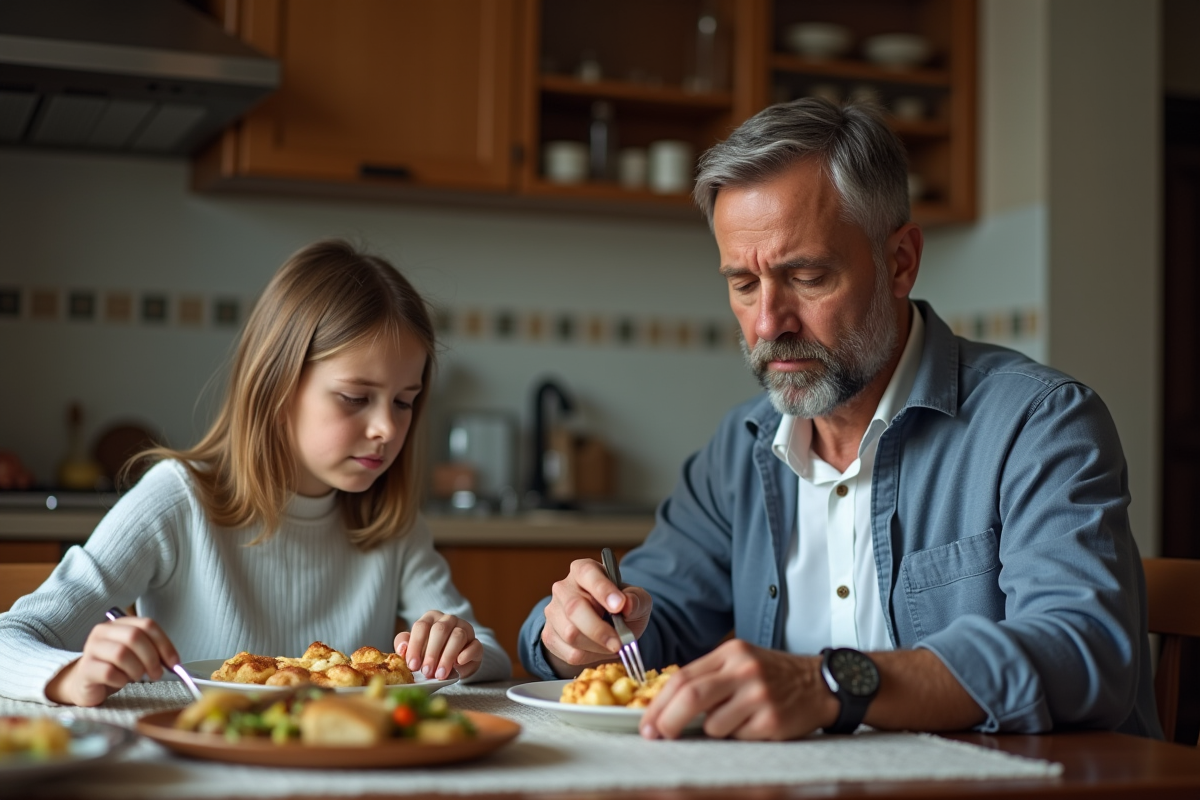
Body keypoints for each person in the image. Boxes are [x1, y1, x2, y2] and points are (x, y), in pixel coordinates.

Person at [518, 98, 1161, 742]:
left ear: (901, 262)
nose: (769, 323)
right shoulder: (739, 450)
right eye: (744, 285)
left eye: (808, 276)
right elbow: (657, 622)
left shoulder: (1040, 424)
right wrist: (576, 632)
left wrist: (833, 684)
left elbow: (1086, 652)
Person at [0, 239, 511, 706]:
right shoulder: (177, 499)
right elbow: (11, 638)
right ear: (277, 386)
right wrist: (70, 674)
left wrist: (457, 646)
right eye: (356, 398)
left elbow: (489, 652)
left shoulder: (390, 522)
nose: (386, 428)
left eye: (405, 402)